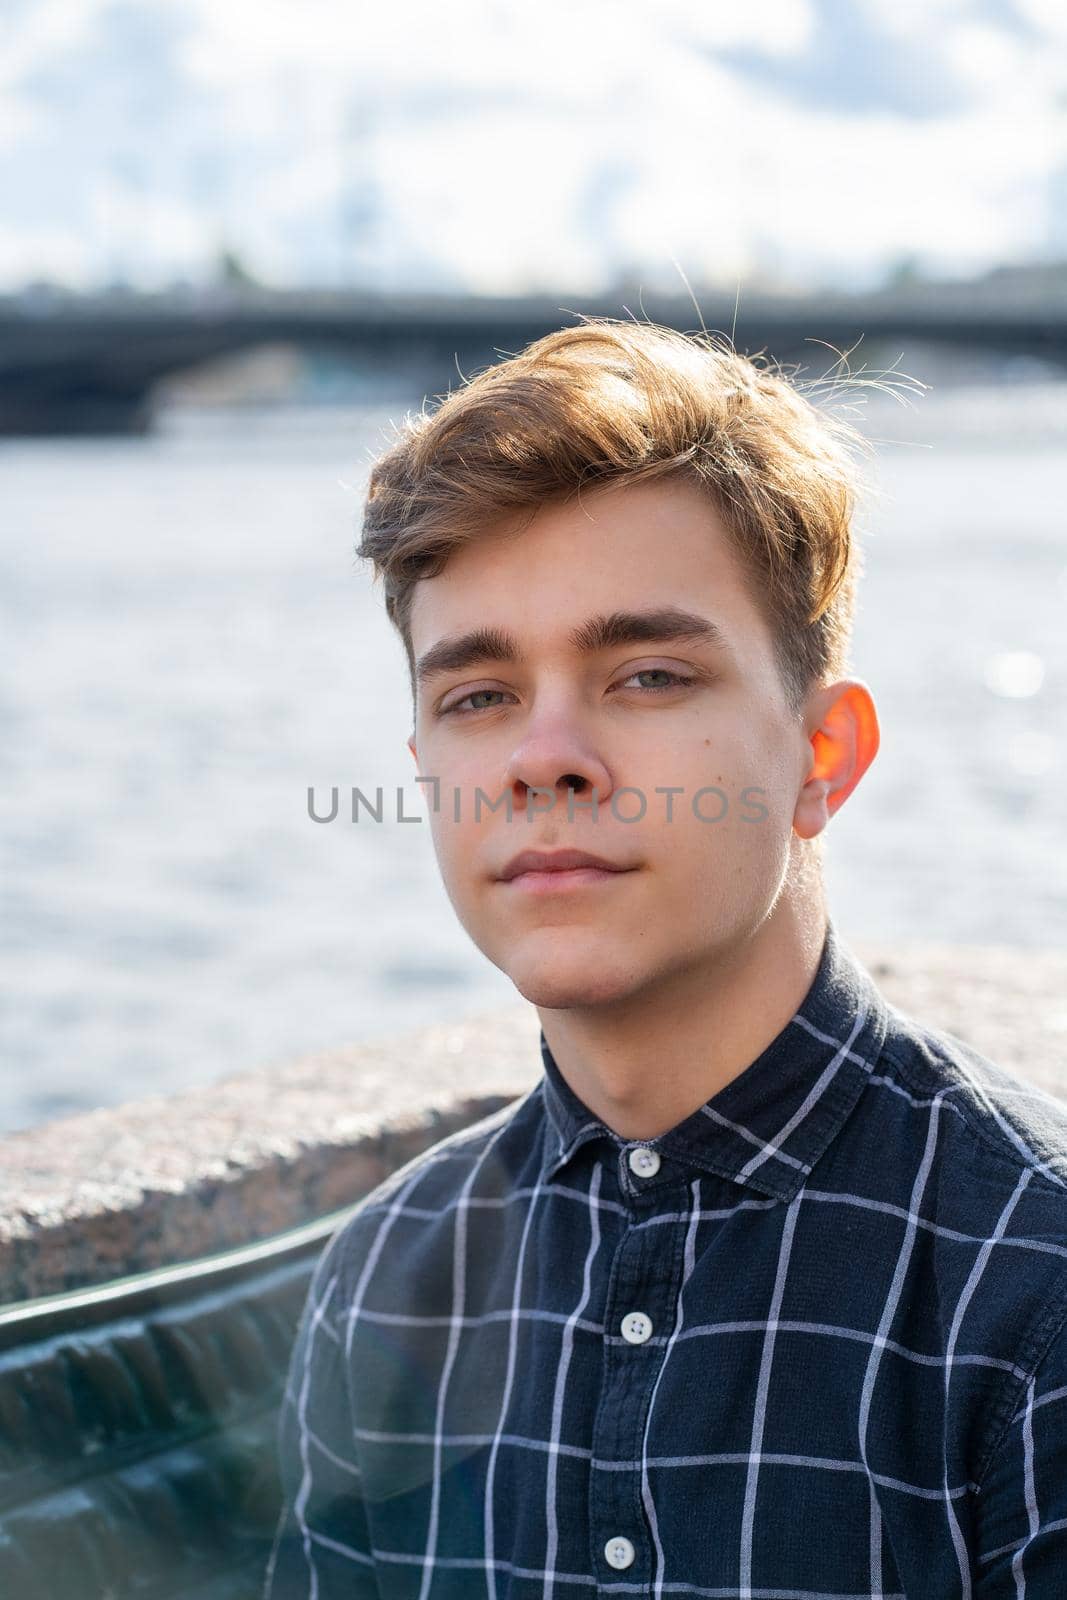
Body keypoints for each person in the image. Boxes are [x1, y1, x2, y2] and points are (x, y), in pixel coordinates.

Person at [265, 320, 1067, 1598]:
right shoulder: (387, 1279)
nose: (544, 755)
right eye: (477, 696)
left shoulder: (1028, 1284)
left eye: (644, 674)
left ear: (822, 756)